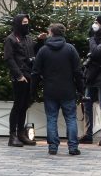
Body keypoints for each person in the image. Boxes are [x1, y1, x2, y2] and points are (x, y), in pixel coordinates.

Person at [32, 23, 84, 156]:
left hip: (50, 90)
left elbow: (36, 72)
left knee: (51, 118)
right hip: (68, 89)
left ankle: (53, 147)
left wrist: (32, 90)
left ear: (52, 33)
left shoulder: (43, 50)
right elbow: (78, 72)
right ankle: (73, 147)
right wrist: (81, 89)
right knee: (71, 118)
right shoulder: (70, 49)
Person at [3, 14, 36, 147]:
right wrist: (19, 75)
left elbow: (32, 53)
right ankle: (12, 136)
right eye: (24, 22)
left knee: (24, 106)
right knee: (17, 106)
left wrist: (39, 41)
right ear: (18, 23)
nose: (26, 24)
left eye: (27, 22)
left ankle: (21, 133)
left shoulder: (28, 38)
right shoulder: (10, 39)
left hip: (29, 75)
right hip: (20, 77)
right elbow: (9, 58)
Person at [81, 15, 101, 146]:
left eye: (96, 22)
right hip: (92, 74)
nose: (94, 24)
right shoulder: (98, 36)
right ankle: (88, 134)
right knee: (87, 104)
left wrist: (91, 39)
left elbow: (95, 52)